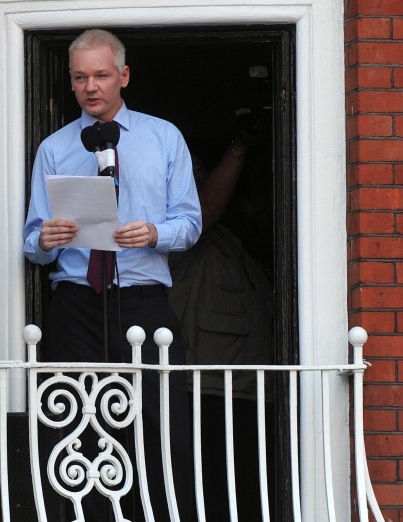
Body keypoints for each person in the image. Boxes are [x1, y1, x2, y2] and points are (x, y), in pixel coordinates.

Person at [23, 29, 201, 522]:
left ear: (123, 76)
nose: (90, 87)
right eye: (80, 77)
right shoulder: (55, 148)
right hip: (77, 304)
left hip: (145, 303)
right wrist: (46, 239)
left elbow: (190, 223)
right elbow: (30, 243)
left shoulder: (163, 137)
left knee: (163, 431)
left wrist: (153, 234)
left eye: (101, 75)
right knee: (77, 436)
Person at [168, 118, 274, 522]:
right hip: (202, 396)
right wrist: (240, 147)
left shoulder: (239, 247)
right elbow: (205, 208)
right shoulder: (177, 239)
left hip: (250, 398)